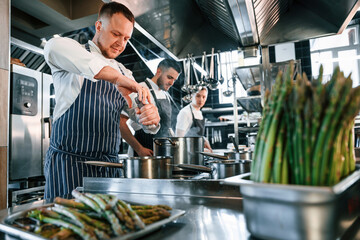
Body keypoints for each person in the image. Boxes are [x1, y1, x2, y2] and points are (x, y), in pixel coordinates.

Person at [43, 2, 160, 199]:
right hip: (70, 168)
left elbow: (142, 122)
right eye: (116, 34)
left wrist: (151, 119)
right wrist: (118, 80)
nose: (121, 44)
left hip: (109, 170)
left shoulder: (125, 72)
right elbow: (54, 47)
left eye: (126, 38)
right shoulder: (72, 54)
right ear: (98, 26)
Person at [120, 59, 181, 156]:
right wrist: (139, 149)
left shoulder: (166, 95)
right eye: (169, 77)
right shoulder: (139, 89)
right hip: (144, 152)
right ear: (158, 71)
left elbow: (167, 127)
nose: (172, 83)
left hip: (163, 152)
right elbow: (120, 122)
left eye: (174, 79)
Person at [176, 87, 213, 152]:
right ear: (192, 96)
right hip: (186, 154)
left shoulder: (199, 112)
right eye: (198, 96)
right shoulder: (185, 112)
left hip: (197, 153)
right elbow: (179, 140)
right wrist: (199, 149)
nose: (201, 100)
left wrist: (204, 140)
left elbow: (197, 135)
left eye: (204, 97)